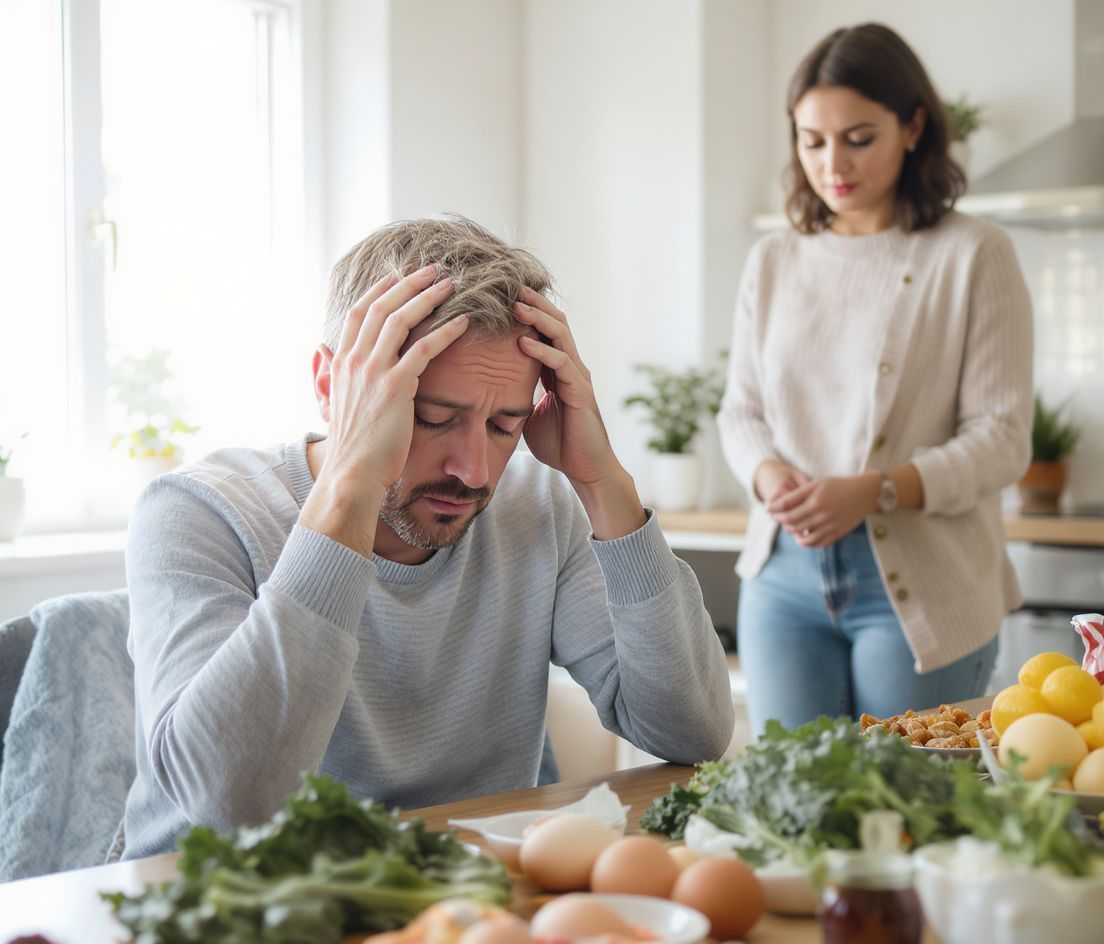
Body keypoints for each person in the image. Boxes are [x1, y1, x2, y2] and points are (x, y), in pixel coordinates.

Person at [120, 215, 734, 859]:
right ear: (332, 387)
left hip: (457, 889)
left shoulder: (538, 506)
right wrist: (352, 488)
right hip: (221, 894)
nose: (474, 471)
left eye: (504, 426)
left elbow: (691, 732)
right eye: (434, 418)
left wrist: (603, 482)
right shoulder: (196, 513)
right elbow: (229, 802)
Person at [717, 23, 1033, 735]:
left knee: (908, 791)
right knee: (789, 790)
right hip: (782, 578)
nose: (833, 164)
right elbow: (741, 411)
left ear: (913, 127)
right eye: (812, 141)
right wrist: (767, 474)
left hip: (924, 585)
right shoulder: (773, 259)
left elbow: (1002, 439)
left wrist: (876, 490)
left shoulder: (975, 254)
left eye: (858, 138)